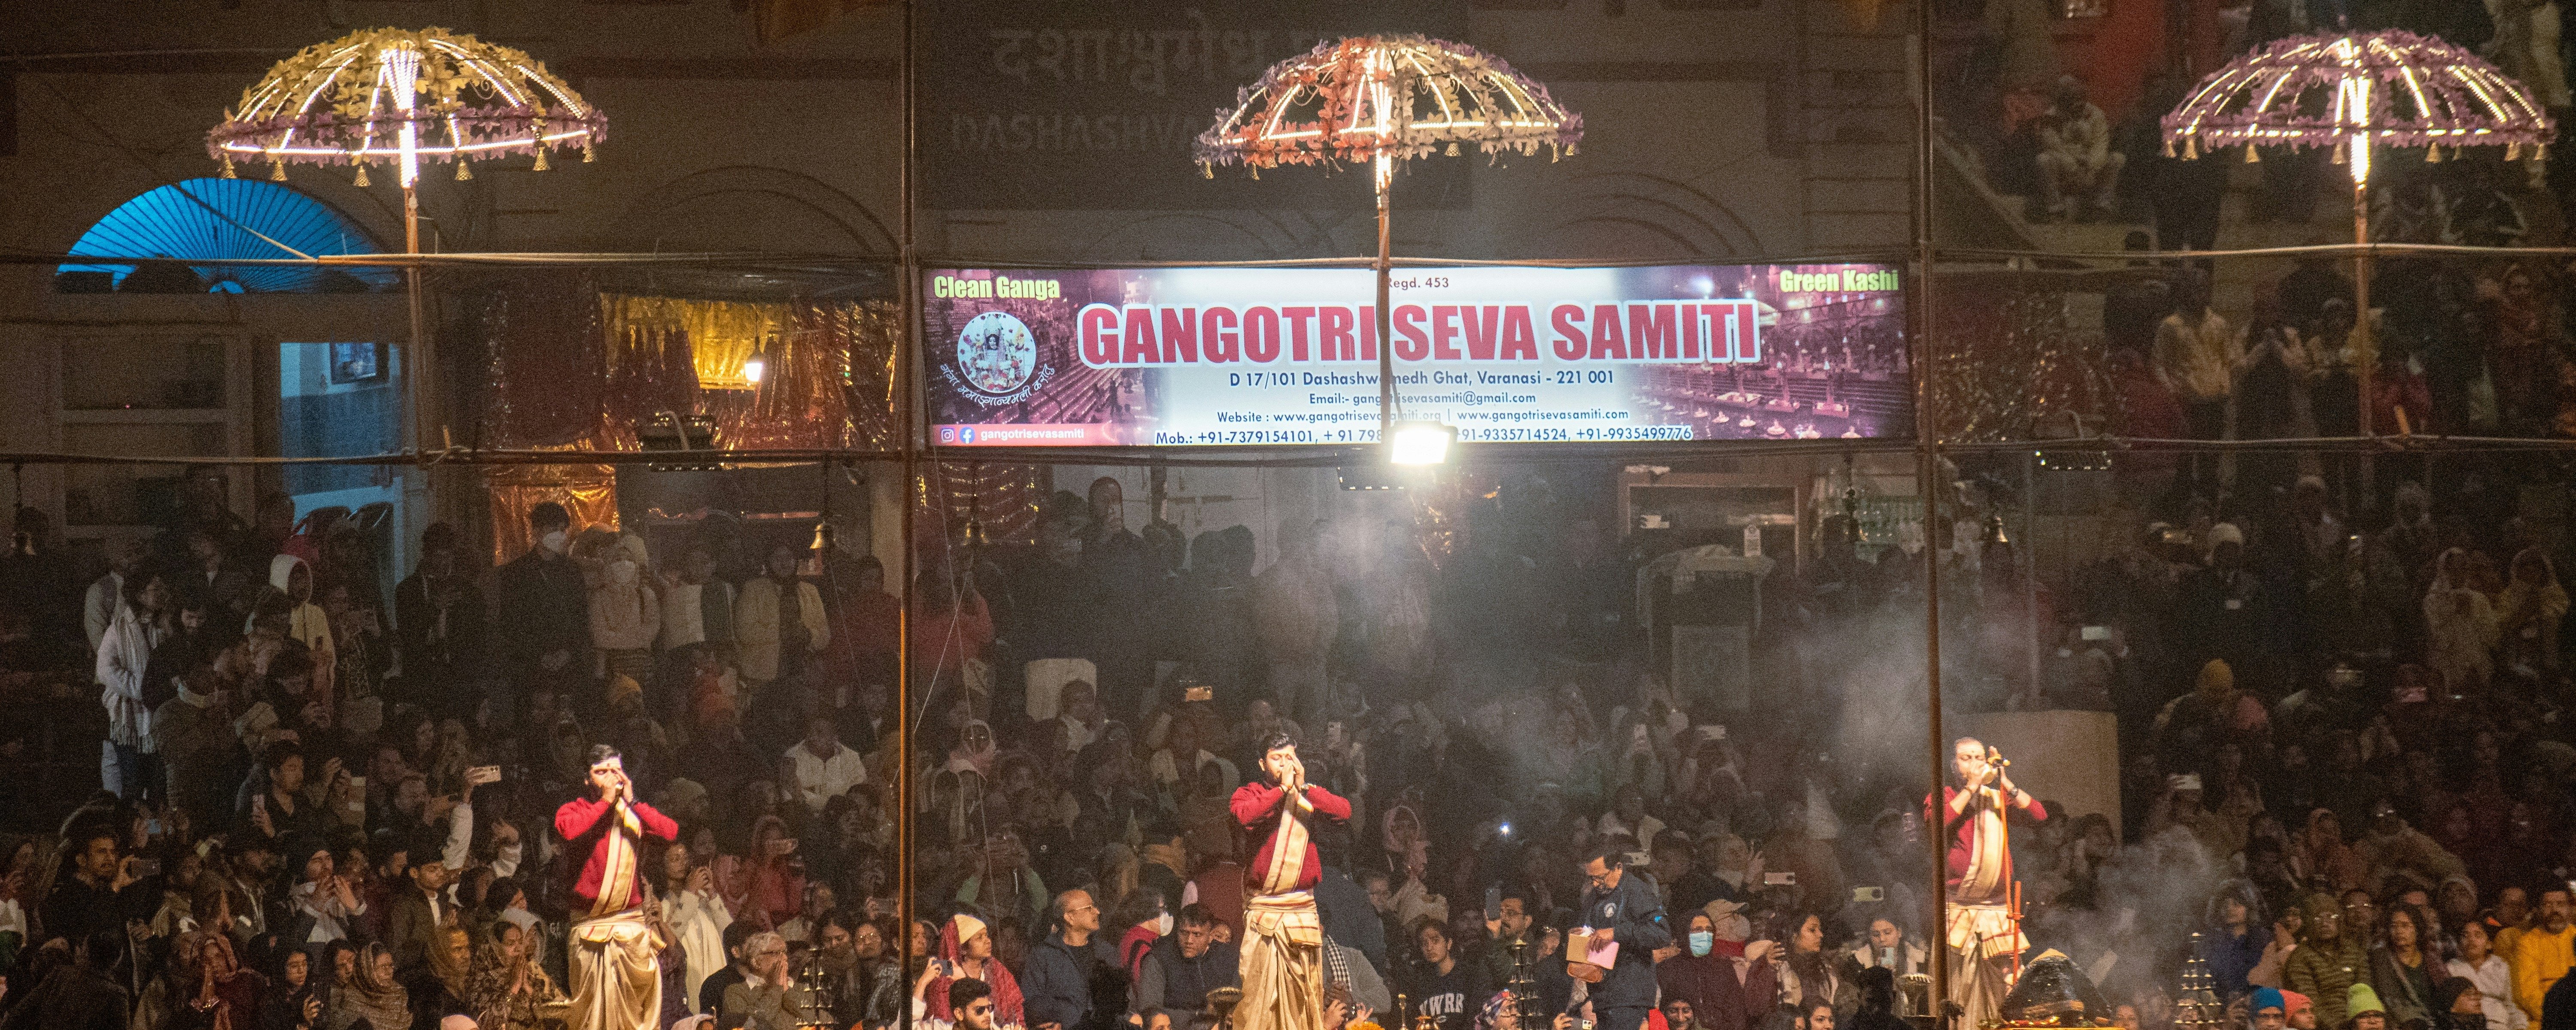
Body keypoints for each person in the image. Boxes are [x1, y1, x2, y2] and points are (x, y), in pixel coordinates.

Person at [1230, 733, 1353, 1030]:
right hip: (1266, 914)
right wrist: (1282, 791)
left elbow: (1344, 811)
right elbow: (1244, 815)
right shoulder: (1250, 793)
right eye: (1276, 757)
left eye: (1290, 757)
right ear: (1262, 763)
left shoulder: (1307, 795)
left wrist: (1303, 789)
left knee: (1304, 1002)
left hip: (1301, 913)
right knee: (1256, 1000)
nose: (1285, 763)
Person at [553, 744, 681, 1030]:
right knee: (591, 1019)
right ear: (587, 780)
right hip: (589, 927)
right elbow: (570, 831)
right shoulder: (575, 809)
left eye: (616, 770)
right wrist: (606, 802)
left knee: (637, 1017)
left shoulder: (633, 812)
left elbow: (670, 832)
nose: (611, 778)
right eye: (601, 772)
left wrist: (633, 803)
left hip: (631, 926)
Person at [1927, 737, 2046, 1026]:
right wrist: (1970, 789)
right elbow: (1937, 825)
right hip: (1959, 910)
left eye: (1979, 757)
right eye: (1966, 758)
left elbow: (2040, 816)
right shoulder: (1942, 796)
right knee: (1958, 992)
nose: (1975, 763)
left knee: (2007, 989)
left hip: (1996, 911)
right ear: (1954, 766)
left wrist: (2007, 784)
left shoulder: (1996, 799)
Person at [1575, 848, 1671, 1030]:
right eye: (1591, 878)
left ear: (1618, 867)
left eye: (1601, 877)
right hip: (1602, 994)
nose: (1596, 884)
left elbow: (1661, 933)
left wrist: (1616, 933)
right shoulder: (1595, 896)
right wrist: (1580, 934)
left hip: (1629, 995)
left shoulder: (1637, 891)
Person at [1022, 889, 1117, 1030]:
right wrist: (1050, 1020)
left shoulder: (1106, 953)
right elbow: (1033, 998)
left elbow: (1121, 996)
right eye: (1089, 908)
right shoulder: (1043, 956)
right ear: (1070, 917)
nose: (1097, 912)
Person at [2035, 76, 2123, 222]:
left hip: (2090, 169)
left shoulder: (2096, 115)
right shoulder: (2050, 118)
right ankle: (2056, 210)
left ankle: (2102, 209)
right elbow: (2054, 147)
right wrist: (2074, 168)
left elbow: (2101, 145)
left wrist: (2090, 166)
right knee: (2043, 160)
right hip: (2065, 168)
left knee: (2118, 159)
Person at [1136, 903, 1239, 1015]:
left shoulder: (1229, 957)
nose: (1189, 940)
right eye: (1184, 933)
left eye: (1197, 934)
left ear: (1210, 937)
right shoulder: (1158, 959)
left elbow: (1240, 1003)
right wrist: (1201, 1018)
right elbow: (1150, 1010)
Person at [2511, 888, 2575, 1023]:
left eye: (2561, 904)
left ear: (2570, 909)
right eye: (2548, 905)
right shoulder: (2527, 943)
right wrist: (2558, 1017)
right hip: (2545, 1019)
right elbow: (2527, 993)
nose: (2554, 910)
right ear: (2540, 910)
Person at [2449, 919, 2524, 1030]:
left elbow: (2511, 1005)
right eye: (2465, 936)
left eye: (2478, 935)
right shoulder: (2453, 968)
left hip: (2499, 1024)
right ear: (2459, 945)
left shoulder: (2500, 966)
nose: (2471, 940)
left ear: (2489, 944)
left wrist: (2520, 1027)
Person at [326, 942, 412, 1030]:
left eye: (390, 965)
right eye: (383, 967)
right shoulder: (350, 1001)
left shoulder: (400, 995)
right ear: (369, 970)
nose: (389, 971)